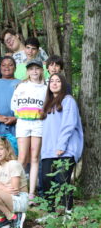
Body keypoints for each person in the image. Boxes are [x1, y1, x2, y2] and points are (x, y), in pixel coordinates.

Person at [40, 73, 83, 212]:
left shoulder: (68, 100)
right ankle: (51, 212)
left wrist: (61, 146)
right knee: (46, 181)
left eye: (58, 81)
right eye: (51, 81)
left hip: (66, 148)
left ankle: (68, 213)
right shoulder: (47, 103)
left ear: (63, 84)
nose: (54, 83)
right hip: (48, 150)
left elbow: (69, 124)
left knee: (62, 180)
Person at [11, 60, 47, 202]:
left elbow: (48, 107)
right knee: (22, 157)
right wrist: (22, 114)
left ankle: (31, 193)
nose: (34, 71)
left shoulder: (46, 88)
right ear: (27, 71)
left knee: (34, 158)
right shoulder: (21, 86)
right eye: (31, 69)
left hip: (38, 124)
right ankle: (17, 190)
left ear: (41, 71)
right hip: (23, 123)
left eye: (37, 69)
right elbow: (13, 105)